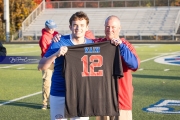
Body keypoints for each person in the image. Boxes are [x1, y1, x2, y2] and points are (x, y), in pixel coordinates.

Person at [53, 15, 140, 120]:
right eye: (107, 27)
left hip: (121, 99)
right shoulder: (98, 43)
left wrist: (121, 46)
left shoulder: (125, 45)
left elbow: (134, 65)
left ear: (119, 28)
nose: (110, 30)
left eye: (113, 27)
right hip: (102, 100)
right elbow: (80, 38)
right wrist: (60, 38)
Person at [38, 11, 93, 120]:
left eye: (82, 25)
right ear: (70, 26)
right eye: (75, 25)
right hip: (59, 92)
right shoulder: (59, 42)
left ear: (87, 27)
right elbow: (41, 66)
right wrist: (56, 54)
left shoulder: (92, 44)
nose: (78, 28)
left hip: (81, 93)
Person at [39, 19, 59, 110]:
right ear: (46, 27)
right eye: (50, 28)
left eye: (53, 28)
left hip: (57, 61)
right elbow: (45, 52)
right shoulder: (44, 37)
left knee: (58, 82)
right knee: (47, 83)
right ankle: (45, 103)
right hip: (48, 62)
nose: (52, 30)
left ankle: (54, 101)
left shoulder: (57, 34)